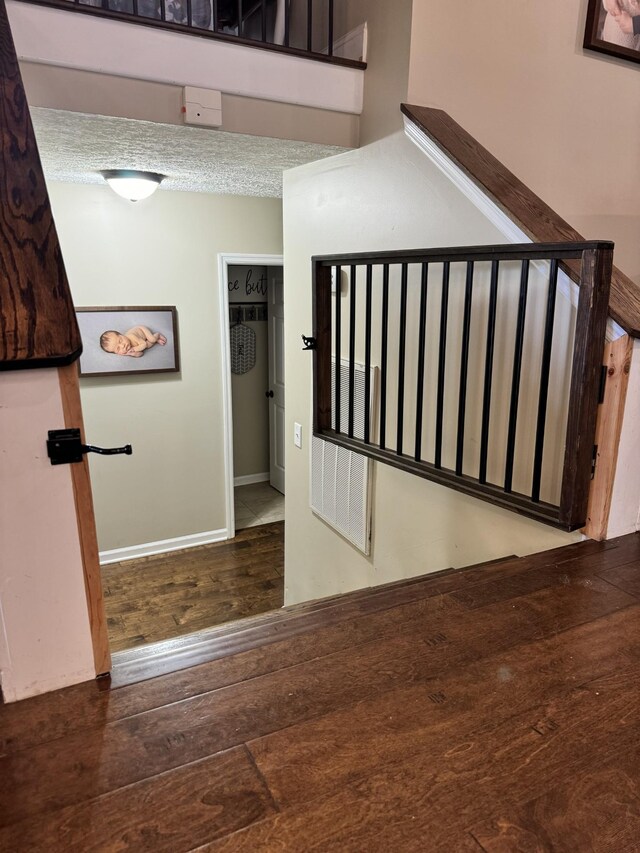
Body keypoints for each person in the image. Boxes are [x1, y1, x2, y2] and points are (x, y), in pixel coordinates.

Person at [100, 326, 167, 358]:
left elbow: (144, 344)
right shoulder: (126, 350)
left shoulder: (131, 336)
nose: (122, 346)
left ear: (122, 335)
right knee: (148, 345)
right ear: (117, 353)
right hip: (141, 342)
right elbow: (141, 354)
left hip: (141, 330)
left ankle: (157, 335)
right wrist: (130, 353)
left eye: (120, 341)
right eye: (118, 348)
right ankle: (156, 340)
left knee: (151, 340)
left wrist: (134, 349)